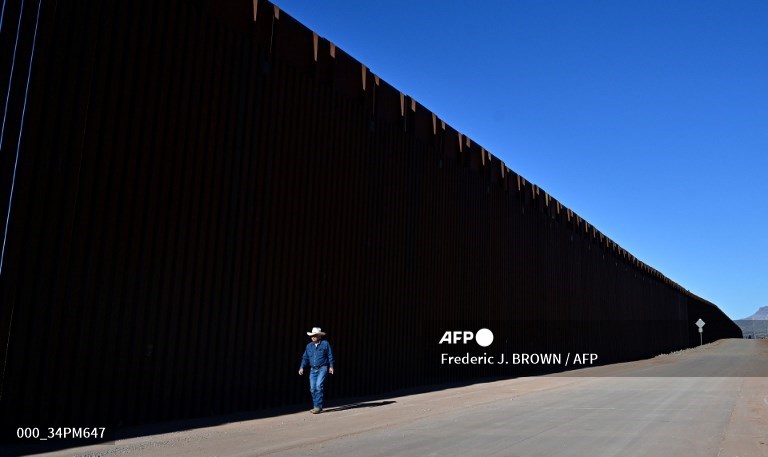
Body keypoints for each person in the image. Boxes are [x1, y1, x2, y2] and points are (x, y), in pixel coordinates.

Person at [298, 327, 335, 413]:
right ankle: (317, 406)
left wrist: (331, 366)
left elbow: (330, 355)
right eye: (312, 336)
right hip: (313, 370)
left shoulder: (325, 344)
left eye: (315, 335)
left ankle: (317, 407)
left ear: (319, 336)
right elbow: (305, 358)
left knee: (318, 386)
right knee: (312, 388)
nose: (313, 337)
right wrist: (301, 367)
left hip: (323, 368)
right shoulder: (309, 346)